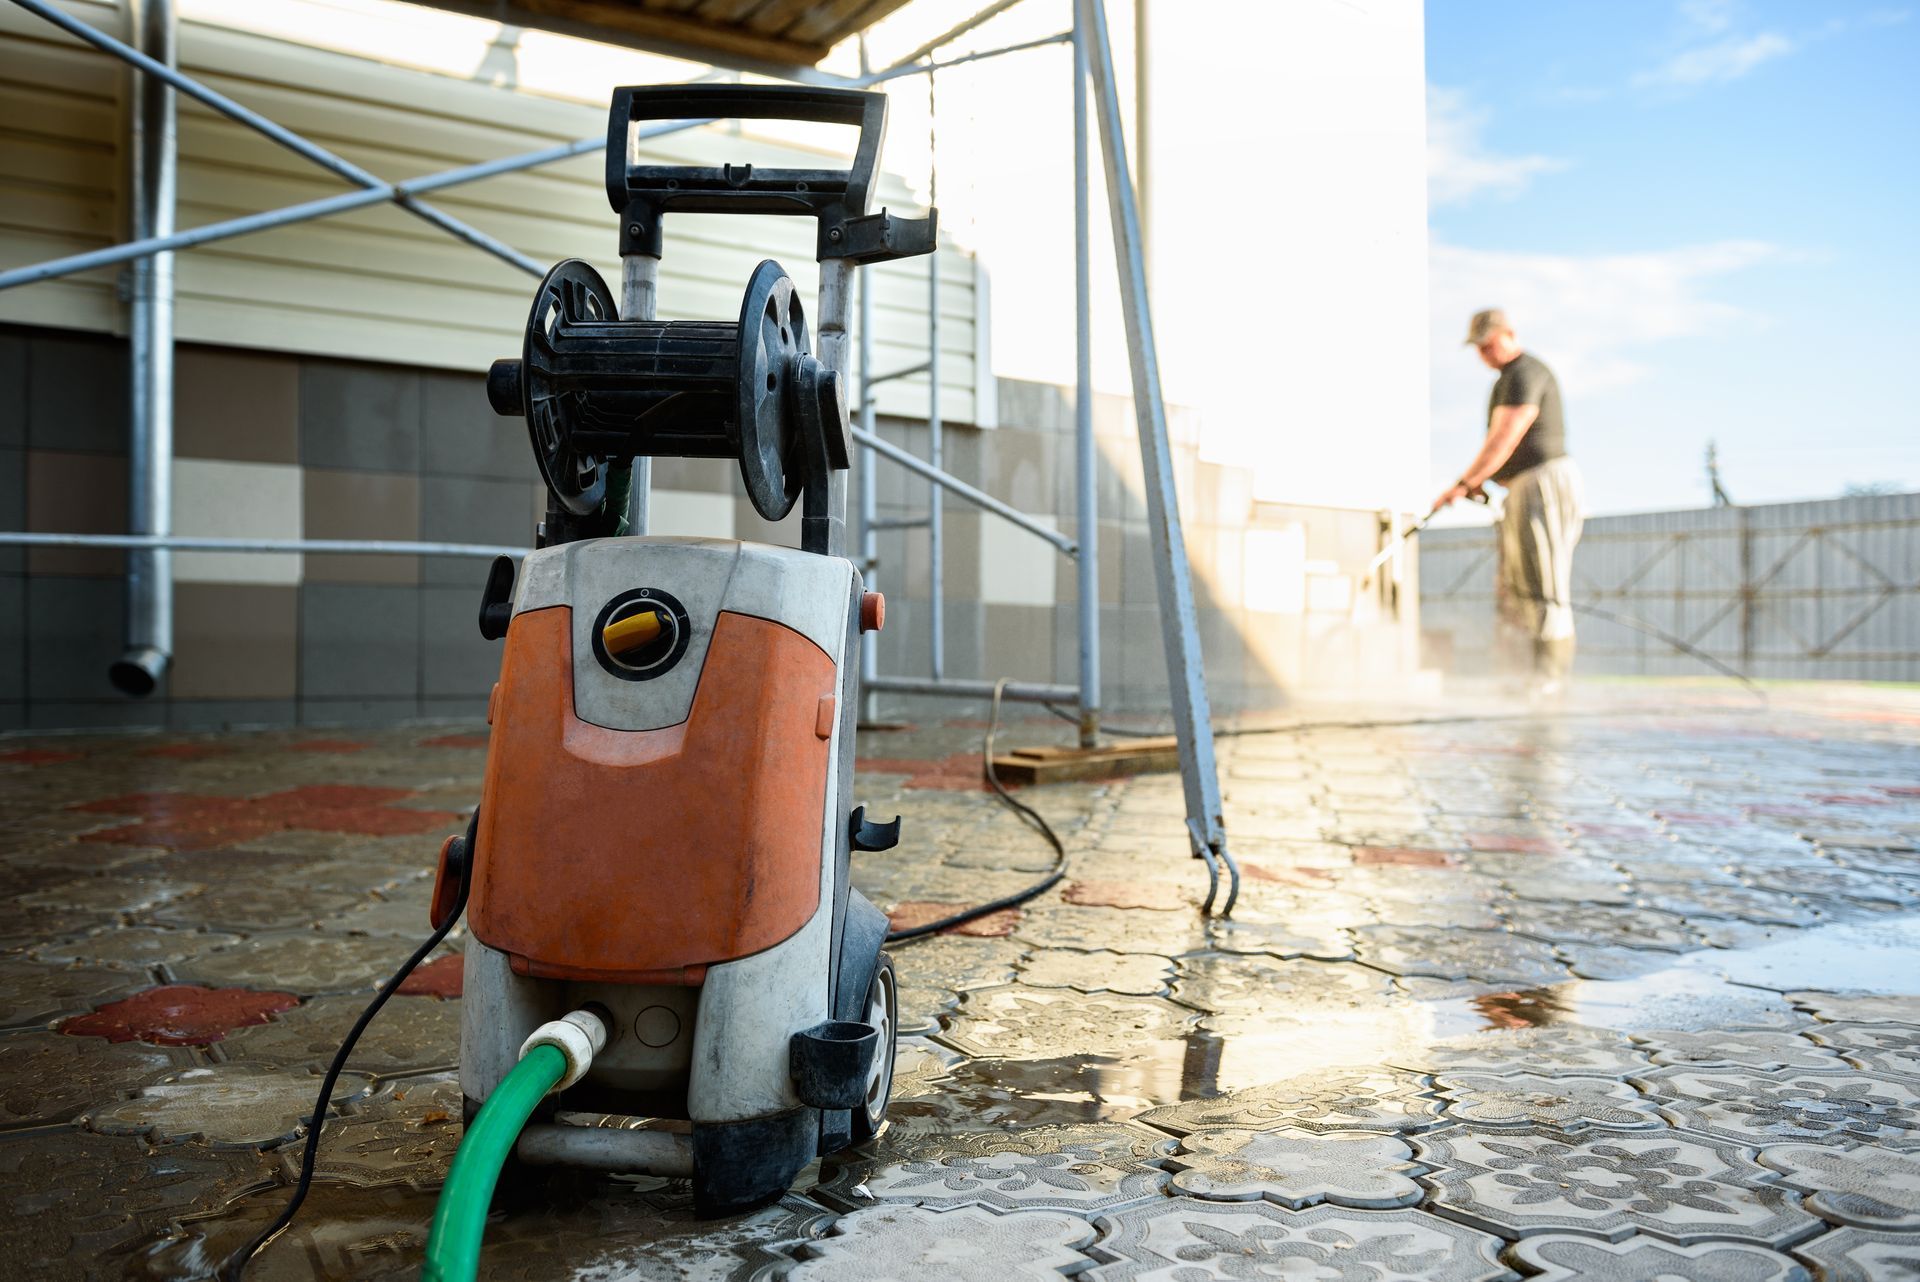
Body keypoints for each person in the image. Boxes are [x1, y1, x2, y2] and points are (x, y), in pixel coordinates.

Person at [1433, 309, 1584, 695]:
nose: (1483, 353)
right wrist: (1480, 483)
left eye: (1488, 344)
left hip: (1543, 481)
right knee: (1521, 586)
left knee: (1545, 582)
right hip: (1519, 487)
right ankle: (1527, 675)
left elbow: (1506, 436)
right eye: (1479, 348)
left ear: (1509, 334)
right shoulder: (1505, 379)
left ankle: (1550, 679)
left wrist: (1466, 481)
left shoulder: (1525, 372)